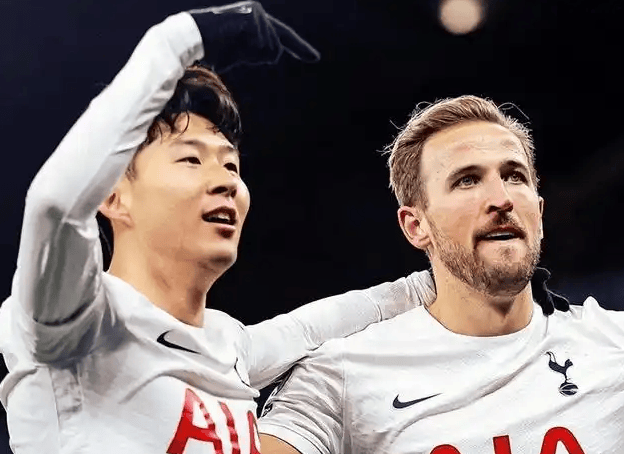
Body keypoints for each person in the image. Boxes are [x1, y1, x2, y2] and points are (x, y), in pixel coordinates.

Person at [0, 2, 436, 453]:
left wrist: (431, 284)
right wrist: (180, 37)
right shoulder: (75, 321)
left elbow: (311, 328)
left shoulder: (229, 346)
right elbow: (55, 205)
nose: (226, 180)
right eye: (191, 159)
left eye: (231, 165)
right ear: (111, 197)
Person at [257, 95, 624, 454]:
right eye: (467, 180)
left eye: (514, 176)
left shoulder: (622, 346)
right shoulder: (343, 375)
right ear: (416, 225)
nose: (501, 199)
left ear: (538, 211)